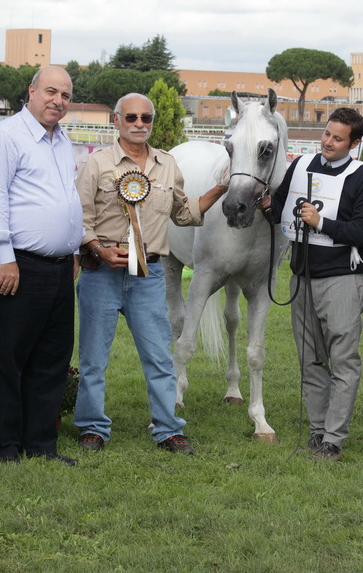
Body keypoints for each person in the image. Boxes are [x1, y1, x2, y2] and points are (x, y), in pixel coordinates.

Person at [74, 92, 227, 454]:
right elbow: (78, 219)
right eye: (131, 118)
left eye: (146, 118)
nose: (140, 124)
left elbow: (184, 213)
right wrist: (97, 248)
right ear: (116, 121)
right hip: (102, 274)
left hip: (148, 276)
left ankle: (168, 429)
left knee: (159, 357)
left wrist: (221, 188)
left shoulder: (168, 165)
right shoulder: (97, 165)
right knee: (93, 359)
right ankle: (93, 428)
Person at [0, 65, 83, 465]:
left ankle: (41, 444)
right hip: (16, 265)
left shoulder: (62, 140)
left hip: (57, 268)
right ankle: (5, 448)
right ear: (32, 91)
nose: (58, 101)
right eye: (51, 91)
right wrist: (4, 258)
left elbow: (62, 198)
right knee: (10, 356)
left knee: (52, 358)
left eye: (66, 95)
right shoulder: (6, 136)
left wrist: (71, 249)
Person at [267, 107, 363, 461]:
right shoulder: (300, 165)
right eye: (327, 133)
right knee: (310, 358)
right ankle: (317, 431)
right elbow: (281, 208)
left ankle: (333, 438)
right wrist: (261, 202)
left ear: (354, 143)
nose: (328, 142)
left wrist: (323, 223)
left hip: (341, 280)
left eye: (338, 138)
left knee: (343, 360)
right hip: (302, 276)